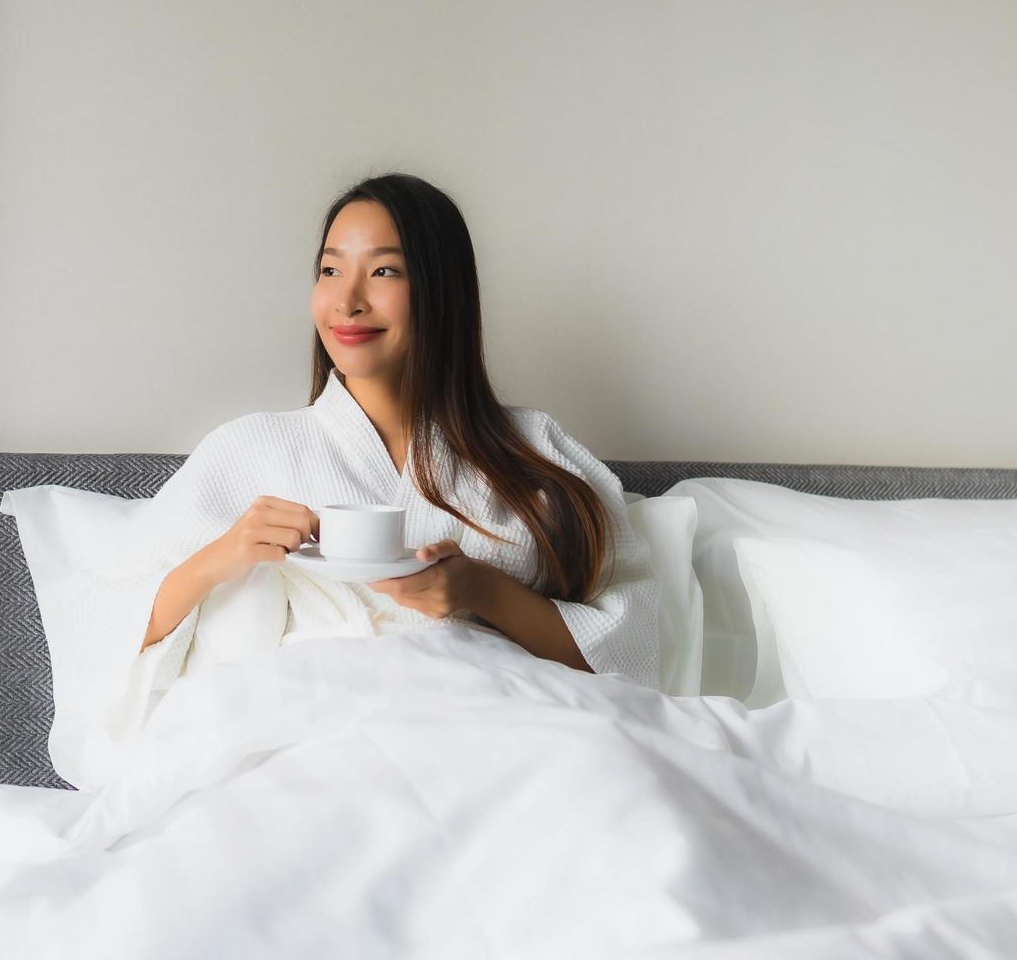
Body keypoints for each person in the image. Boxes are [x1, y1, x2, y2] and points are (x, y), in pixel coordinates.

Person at [106, 172, 659, 737]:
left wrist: (480, 590)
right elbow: (107, 627)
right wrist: (220, 557)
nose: (347, 301)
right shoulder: (249, 450)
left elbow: (635, 649)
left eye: (384, 271)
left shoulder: (535, 450)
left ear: (442, 290)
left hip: (498, 724)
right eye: (330, 270)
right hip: (309, 730)